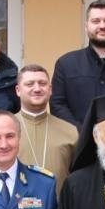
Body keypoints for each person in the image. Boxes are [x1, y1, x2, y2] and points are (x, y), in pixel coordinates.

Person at [14, 63, 78, 191]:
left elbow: (80, 177)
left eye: (42, 83)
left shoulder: (70, 131)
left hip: (59, 208)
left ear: (50, 89)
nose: (37, 89)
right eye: (29, 84)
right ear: (18, 90)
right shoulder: (0, 129)